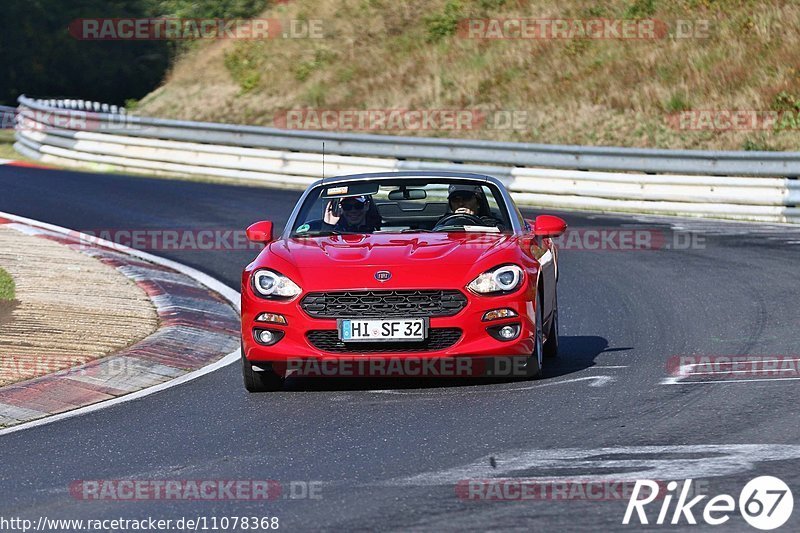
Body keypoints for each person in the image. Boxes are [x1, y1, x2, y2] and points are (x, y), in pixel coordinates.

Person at [438, 184, 505, 230]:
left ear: (478, 203)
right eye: (455, 200)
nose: (461, 203)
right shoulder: (442, 222)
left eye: (467, 198)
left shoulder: (491, 223)